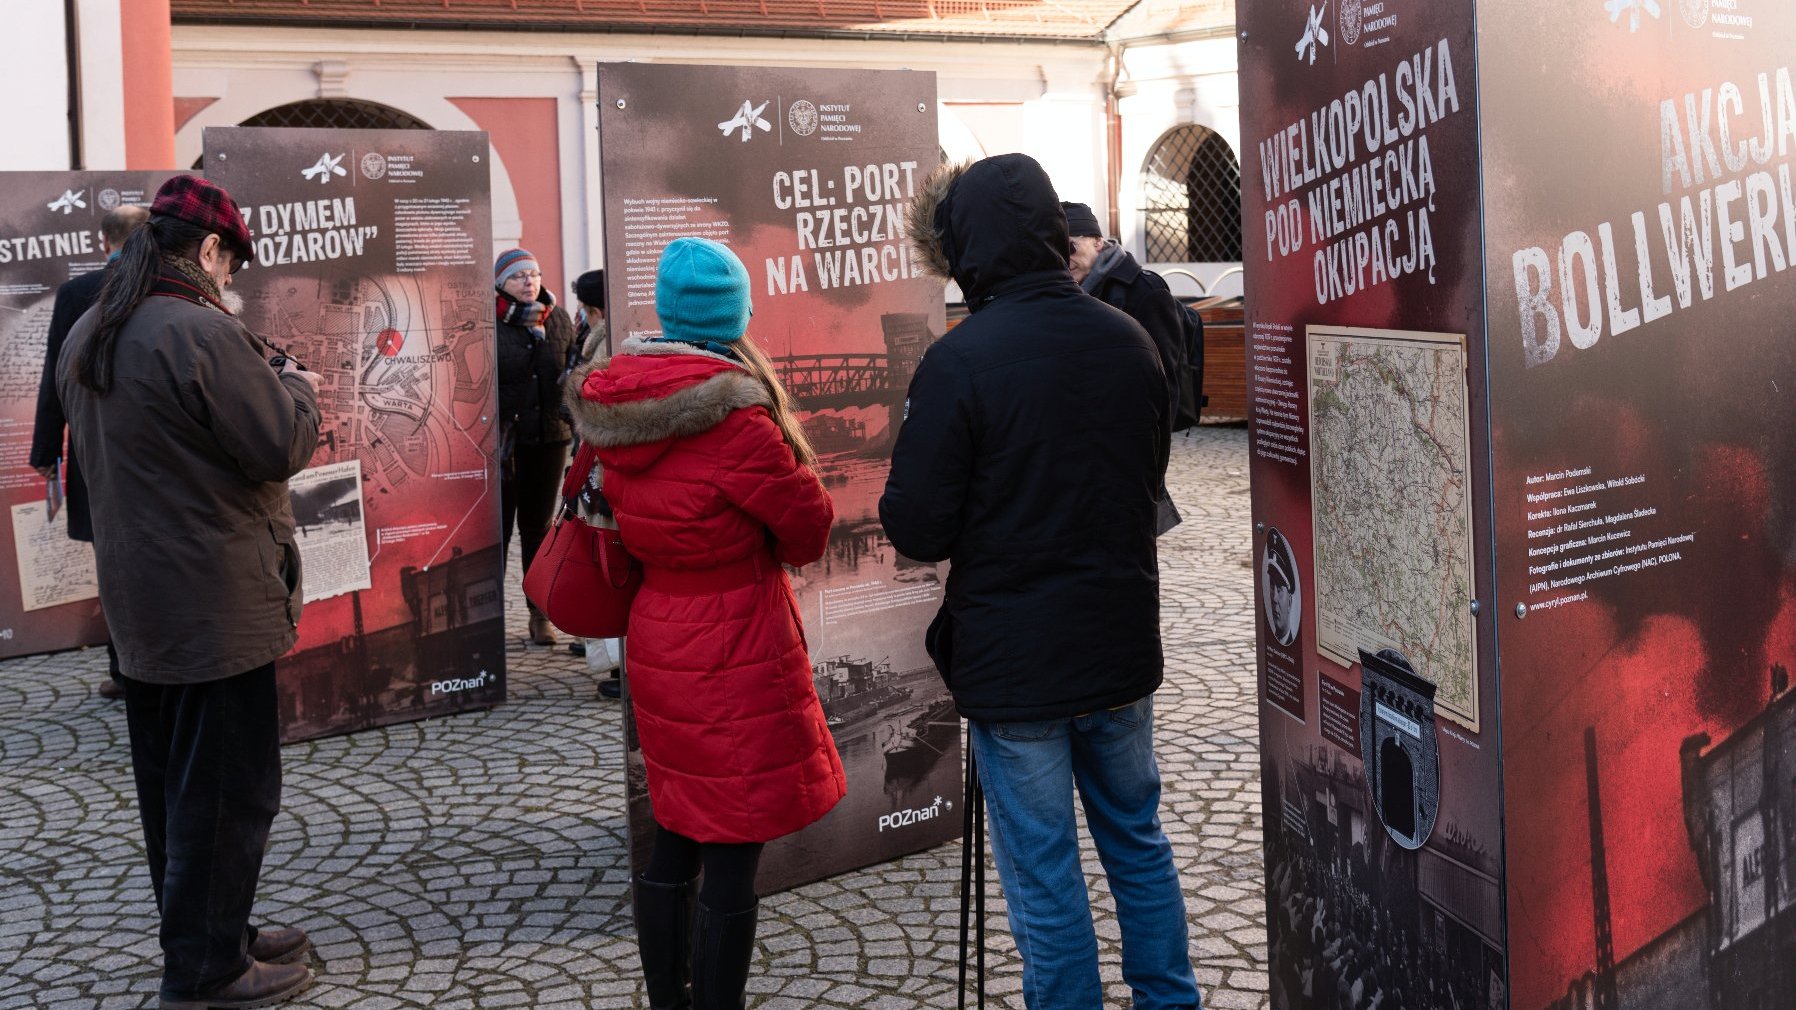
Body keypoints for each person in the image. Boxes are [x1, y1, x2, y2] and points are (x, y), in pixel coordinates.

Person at [882, 155, 1200, 1010]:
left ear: (966, 248)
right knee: (1138, 842)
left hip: (1018, 662)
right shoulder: (1125, 337)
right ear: (1050, 235)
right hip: (1117, 640)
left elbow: (916, 527)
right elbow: (1150, 477)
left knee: (1045, 871)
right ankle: (1171, 1001)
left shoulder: (960, 362)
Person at [56, 175, 323, 1010]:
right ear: (208, 250)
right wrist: (301, 384)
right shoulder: (197, 332)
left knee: (173, 787)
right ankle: (206, 972)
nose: (231, 280)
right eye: (231, 264)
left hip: (145, 600)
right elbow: (277, 443)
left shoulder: (95, 326)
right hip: (215, 599)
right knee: (228, 792)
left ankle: (213, 933)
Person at [566, 237, 844, 1010]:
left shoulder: (612, 402)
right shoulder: (738, 421)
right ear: (736, 317)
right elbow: (808, 531)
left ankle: (669, 1001)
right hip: (738, 637)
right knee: (734, 842)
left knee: (680, 823)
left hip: (659, 629)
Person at [30, 203, 149, 701]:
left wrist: (45, 451)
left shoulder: (76, 294)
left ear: (105, 243)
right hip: (154, 454)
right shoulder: (164, 290)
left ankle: (125, 672)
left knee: (114, 565)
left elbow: (56, 380)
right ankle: (165, 669)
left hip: (93, 455)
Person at [1064, 200, 1189, 534]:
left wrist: (1151, 458)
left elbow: (1166, 382)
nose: (1065, 259)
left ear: (1098, 242)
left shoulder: (1143, 290)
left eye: (1070, 247)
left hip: (1130, 441)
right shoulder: (1066, 296)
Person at [494, 247, 576, 646]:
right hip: (504, 445)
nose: (529, 282)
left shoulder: (558, 319)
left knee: (538, 531)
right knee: (497, 532)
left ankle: (538, 614)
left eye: (534, 274)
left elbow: (572, 372)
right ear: (500, 284)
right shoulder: (487, 323)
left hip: (549, 438)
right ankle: (487, 622)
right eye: (518, 276)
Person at [566, 267, 624, 698]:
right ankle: (603, 646)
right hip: (594, 460)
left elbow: (593, 399)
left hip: (601, 465)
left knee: (607, 558)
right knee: (600, 556)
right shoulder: (601, 334)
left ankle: (618, 661)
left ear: (593, 308)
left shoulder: (605, 339)